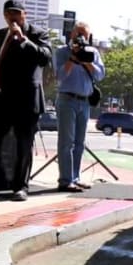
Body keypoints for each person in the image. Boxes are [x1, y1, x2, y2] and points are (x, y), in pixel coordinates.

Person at [0, 0, 52, 202]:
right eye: (8, 14)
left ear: (25, 14)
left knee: (23, 144)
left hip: (24, 101)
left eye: (16, 13)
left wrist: (23, 40)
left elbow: (45, 57)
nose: (12, 17)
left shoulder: (37, 34)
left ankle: (20, 186)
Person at [54, 21, 105, 192]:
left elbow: (100, 75)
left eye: (85, 34)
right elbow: (59, 76)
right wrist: (72, 58)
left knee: (79, 143)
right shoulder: (62, 52)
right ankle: (65, 180)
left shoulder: (93, 53)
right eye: (79, 33)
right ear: (71, 34)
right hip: (66, 99)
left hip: (84, 101)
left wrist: (85, 61)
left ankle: (75, 178)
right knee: (66, 142)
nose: (82, 37)